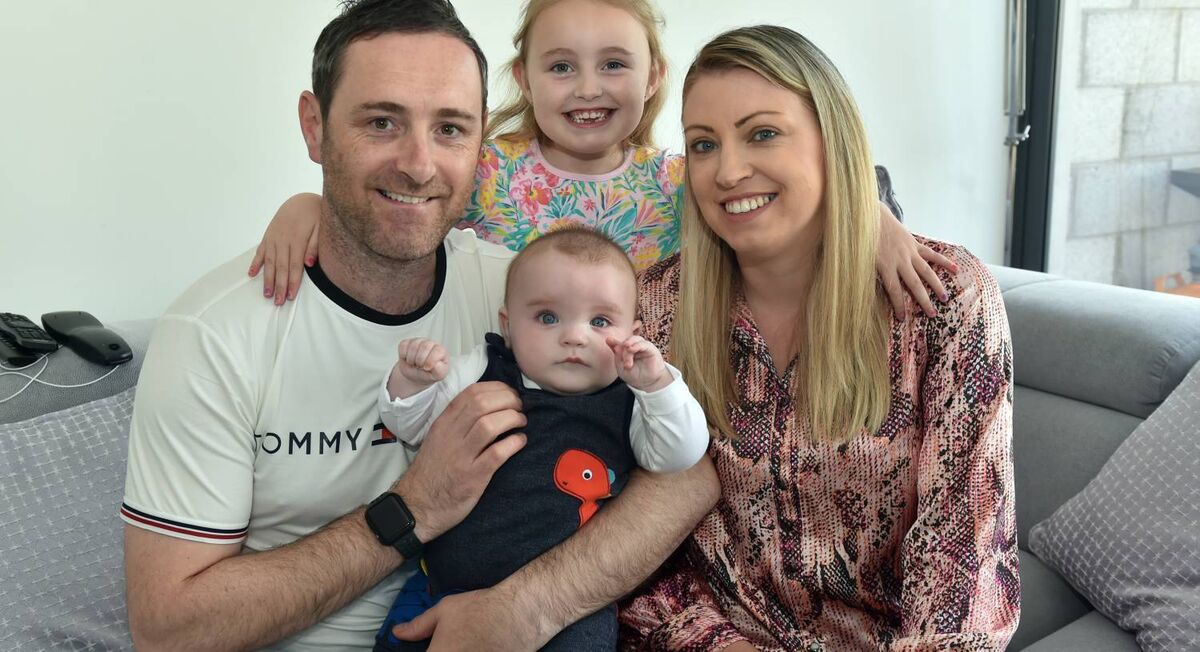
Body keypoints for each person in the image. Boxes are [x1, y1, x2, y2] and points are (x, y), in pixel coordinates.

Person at [119, 1, 719, 650]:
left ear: (482, 138)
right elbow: (169, 630)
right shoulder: (215, 333)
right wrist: (413, 510)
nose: (419, 163)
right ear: (314, 127)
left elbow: (685, 476)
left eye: (452, 129)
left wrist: (528, 607)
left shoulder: (522, 295)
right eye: (382, 122)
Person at [618, 25, 1020, 651]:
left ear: (834, 141)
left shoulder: (943, 300)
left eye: (762, 133)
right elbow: (634, 547)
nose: (727, 171)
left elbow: (964, 568)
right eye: (703, 144)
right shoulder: (655, 308)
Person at [249, 0, 955, 320]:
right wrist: (303, 206)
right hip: (518, 393)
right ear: (524, 79)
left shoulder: (679, 178)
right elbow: (401, 198)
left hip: (648, 401)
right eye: (561, 66)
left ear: (653, 78)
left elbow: (801, 184)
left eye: (613, 64)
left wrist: (882, 221)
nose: (587, 87)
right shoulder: (491, 169)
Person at [375, 227, 709, 651]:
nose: (574, 336)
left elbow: (679, 455)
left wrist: (658, 385)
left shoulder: (631, 402)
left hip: (565, 611)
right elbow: (412, 425)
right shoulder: (482, 368)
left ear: (633, 333)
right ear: (508, 325)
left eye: (600, 321)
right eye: (548, 318)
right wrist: (411, 382)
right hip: (439, 586)